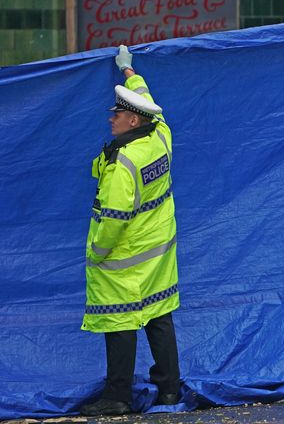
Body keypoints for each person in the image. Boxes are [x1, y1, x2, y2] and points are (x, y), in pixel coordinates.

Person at [80, 45, 181, 416]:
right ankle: (170, 390)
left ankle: (118, 397)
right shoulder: (160, 136)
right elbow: (145, 98)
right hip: (158, 248)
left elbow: (114, 219)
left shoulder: (123, 164)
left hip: (124, 257)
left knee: (119, 321)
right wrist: (128, 72)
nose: (111, 119)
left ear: (133, 122)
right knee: (158, 315)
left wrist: (97, 252)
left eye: (117, 114)